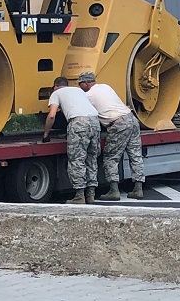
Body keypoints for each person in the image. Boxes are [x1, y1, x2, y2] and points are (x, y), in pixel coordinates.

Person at [78, 71, 145, 202]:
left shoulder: (87, 95)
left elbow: (88, 114)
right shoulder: (105, 86)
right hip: (131, 118)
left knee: (110, 157)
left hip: (118, 124)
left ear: (86, 83)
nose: (80, 87)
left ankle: (114, 191)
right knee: (135, 155)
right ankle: (138, 189)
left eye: (80, 84)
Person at [42, 76, 101, 203]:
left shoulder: (56, 93)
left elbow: (51, 116)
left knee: (77, 159)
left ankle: (79, 196)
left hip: (78, 122)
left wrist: (46, 134)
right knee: (91, 158)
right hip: (95, 122)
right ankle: (91, 194)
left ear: (55, 86)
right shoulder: (78, 90)